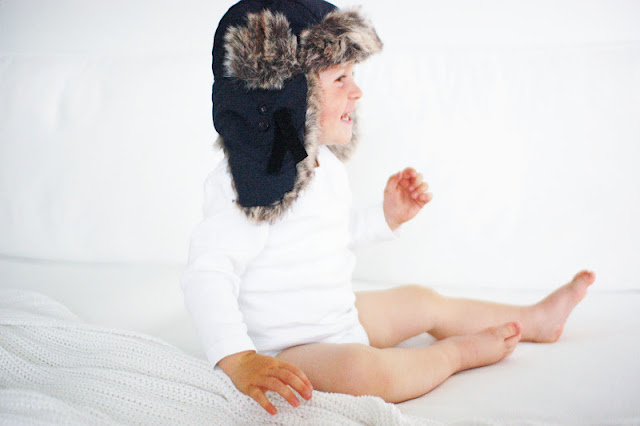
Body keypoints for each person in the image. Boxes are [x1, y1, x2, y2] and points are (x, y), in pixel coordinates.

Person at [180, 0, 596, 416]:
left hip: (338, 316)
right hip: (286, 350)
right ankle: (454, 355)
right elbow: (208, 273)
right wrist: (238, 357)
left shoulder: (325, 166)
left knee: (421, 300)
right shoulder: (244, 184)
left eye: (353, 76)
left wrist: (386, 216)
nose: (356, 91)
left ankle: (536, 320)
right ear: (284, 94)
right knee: (365, 371)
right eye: (340, 78)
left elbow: (333, 232)